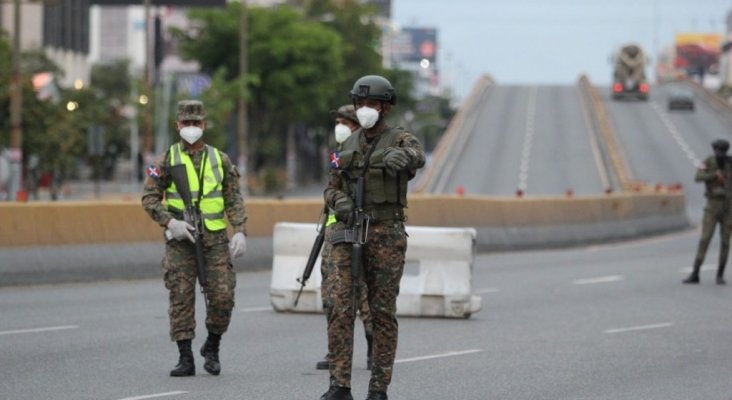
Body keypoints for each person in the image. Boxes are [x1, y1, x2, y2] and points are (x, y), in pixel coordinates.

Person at [319, 75, 426, 400]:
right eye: (360, 104)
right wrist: (339, 202)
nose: (365, 109)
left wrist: (404, 159)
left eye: (371, 104)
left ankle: (378, 388)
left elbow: (418, 156)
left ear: (385, 107)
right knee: (339, 307)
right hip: (348, 231)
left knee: (381, 312)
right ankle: (339, 385)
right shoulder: (346, 145)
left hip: (384, 233)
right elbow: (331, 186)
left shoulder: (400, 139)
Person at [141, 100, 248, 377]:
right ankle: (185, 356)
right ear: (178, 126)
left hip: (215, 240)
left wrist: (239, 230)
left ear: (204, 125)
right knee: (181, 297)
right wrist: (171, 222)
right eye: (186, 123)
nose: (191, 128)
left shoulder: (220, 159)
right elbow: (149, 198)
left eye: (196, 123)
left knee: (223, 297)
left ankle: (212, 346)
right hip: (182, 240)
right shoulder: (166, 160)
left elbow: (233, 197)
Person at [317, 105, 373, 371]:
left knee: (367, 295)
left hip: (364, 231)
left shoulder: (369, 151)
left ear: (356, 125)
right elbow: (331, 190)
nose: (338, 126)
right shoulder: (337, 155)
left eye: (344, 122)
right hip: (336, 232)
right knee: (332, 295)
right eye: (336, 121)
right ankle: (335, 351)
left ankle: (374, 346)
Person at [684, 139, 732, 285]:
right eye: (718, 151)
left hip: (728, 206)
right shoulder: (709, 162)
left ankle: (720, 274)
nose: (720, 154)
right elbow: (698, 177)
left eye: (723, 151)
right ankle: (696, 272)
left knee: (725, 240)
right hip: (712, 204)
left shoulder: (730, 163)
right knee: (705, 238)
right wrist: (713, 176)